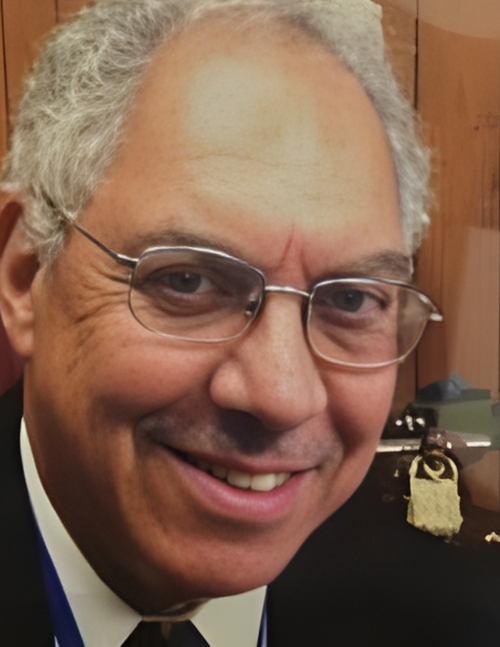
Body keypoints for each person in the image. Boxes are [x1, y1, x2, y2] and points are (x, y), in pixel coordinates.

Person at [0, 0, 439, 644]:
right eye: (188, 282)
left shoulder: (451, 616)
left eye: (350, 300)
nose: (282, 396)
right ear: (25, 275)